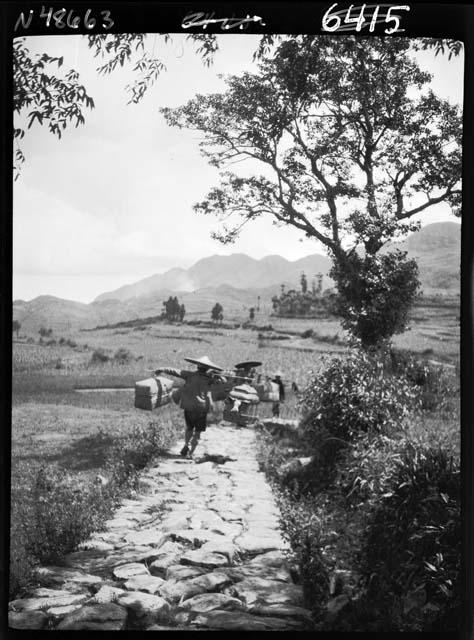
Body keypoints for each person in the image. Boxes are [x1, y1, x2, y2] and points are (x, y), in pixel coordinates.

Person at [155, 355, 225, 459]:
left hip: (189, 406)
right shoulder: (210, 379)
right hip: (201, 409)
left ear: (197, 366)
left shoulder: (189, 375)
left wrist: (162, 369)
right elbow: (223, 382)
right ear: (208, 368)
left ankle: (186, 444)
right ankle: (191, 453)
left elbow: (175, 371)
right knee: (197, 432)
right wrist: (218, 377)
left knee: (189, 428)